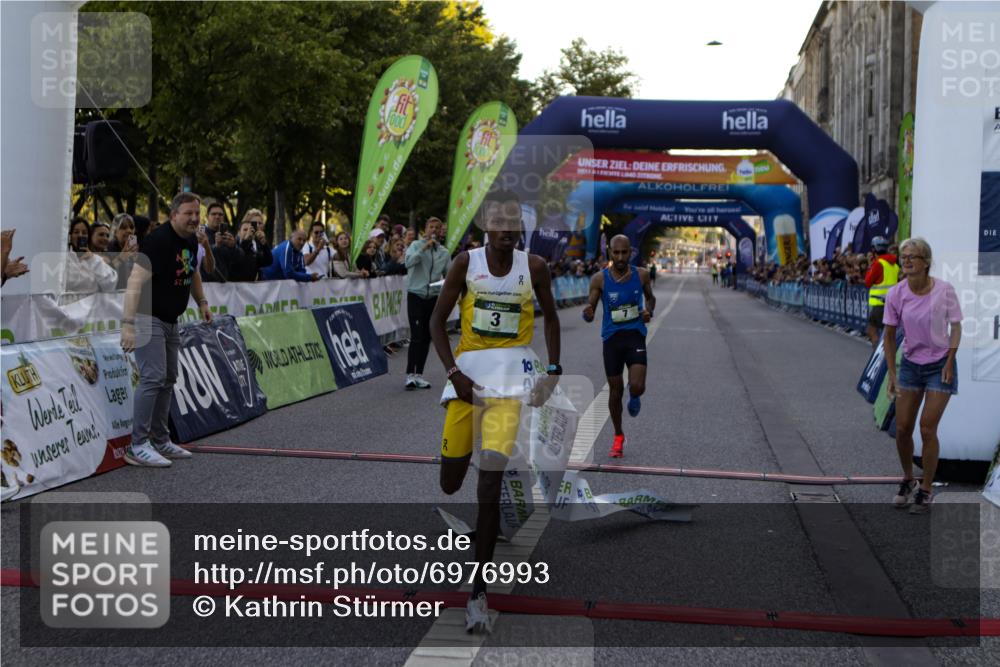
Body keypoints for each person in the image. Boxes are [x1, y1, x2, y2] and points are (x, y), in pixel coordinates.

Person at [430, 189, 560, 633]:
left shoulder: (535, 267)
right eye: (499, 222)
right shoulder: (467, 264)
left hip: (510, 385)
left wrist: (553, 371)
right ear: (486, 224)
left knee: (488, 481)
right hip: (467, 382)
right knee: (450, 483)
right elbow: (436, 321)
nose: (507, 230)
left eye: (514, 222)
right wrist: (452, 372)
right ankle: (474, 481)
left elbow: (553, 318)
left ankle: (478, 592)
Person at [120, 192, 212, 467]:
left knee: (169, 377)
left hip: (172, 320)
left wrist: (203, 302)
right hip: (148, 316)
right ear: (174, 215)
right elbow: (135, 282)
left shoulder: (192, 240)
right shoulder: (158, 241)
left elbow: (193, 271)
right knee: (153, 377)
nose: (194, 218)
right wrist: (127, 326)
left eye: (197, 213)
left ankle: (161, 440)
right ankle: (137, 445)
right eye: (188, 213)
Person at [884, 237, 962, 514]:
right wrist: (892, 373)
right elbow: (889, 336)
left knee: (927, 428)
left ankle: (926, 489)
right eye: (903, 256)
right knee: (903, 428)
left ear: (926, 262)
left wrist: (950, 361)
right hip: (911, 366)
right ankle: (908, 479)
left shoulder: (944, 290)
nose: (906, 260)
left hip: (940, 365)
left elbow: (956, 328)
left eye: (912, 256)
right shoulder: (896, 293)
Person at [582, 235, 655, 458]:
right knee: (615, 392)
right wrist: (588, 313)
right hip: (612, 340)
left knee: (637, 385)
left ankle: (635, 395)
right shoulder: (599, 279)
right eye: (617, 253)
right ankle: (618, 435)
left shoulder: (641, 274)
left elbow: (651, 299)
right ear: (610, 252)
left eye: (625, 253)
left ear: (630, 252)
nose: (621, 257)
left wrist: (648, 312)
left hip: (635, 336)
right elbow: (590, 309)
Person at [404, 217, 450, 389]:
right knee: (416, 336)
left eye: (437, 228)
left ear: (441, 231)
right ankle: (410, 375)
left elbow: (449, 275)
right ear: (425, 229)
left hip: (432, 297)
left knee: (426, 337)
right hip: (416, 295)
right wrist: (424, 248)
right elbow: (408, 263)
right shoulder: (416, 245)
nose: (434, 230)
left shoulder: (444, 252)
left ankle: (419, 374)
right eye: (431, 227)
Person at [62, 217, 118, 293]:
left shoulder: (95, 259)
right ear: (70, 236)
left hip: (92, 304)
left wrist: (93, 259)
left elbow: (110, 283)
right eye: (76, 232)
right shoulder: (63, 258)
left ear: (89, 237)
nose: (80, 235)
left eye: (84, 233)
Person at [864, 236, 900, 347]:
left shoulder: (878, 263)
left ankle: (880, 352)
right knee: (887, 332)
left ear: (874, 249)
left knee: (871, 330)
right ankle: (885, 351)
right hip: (891, 303)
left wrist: (870, 265)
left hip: (879, 304)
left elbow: (867, 282)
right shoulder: (894, 264)